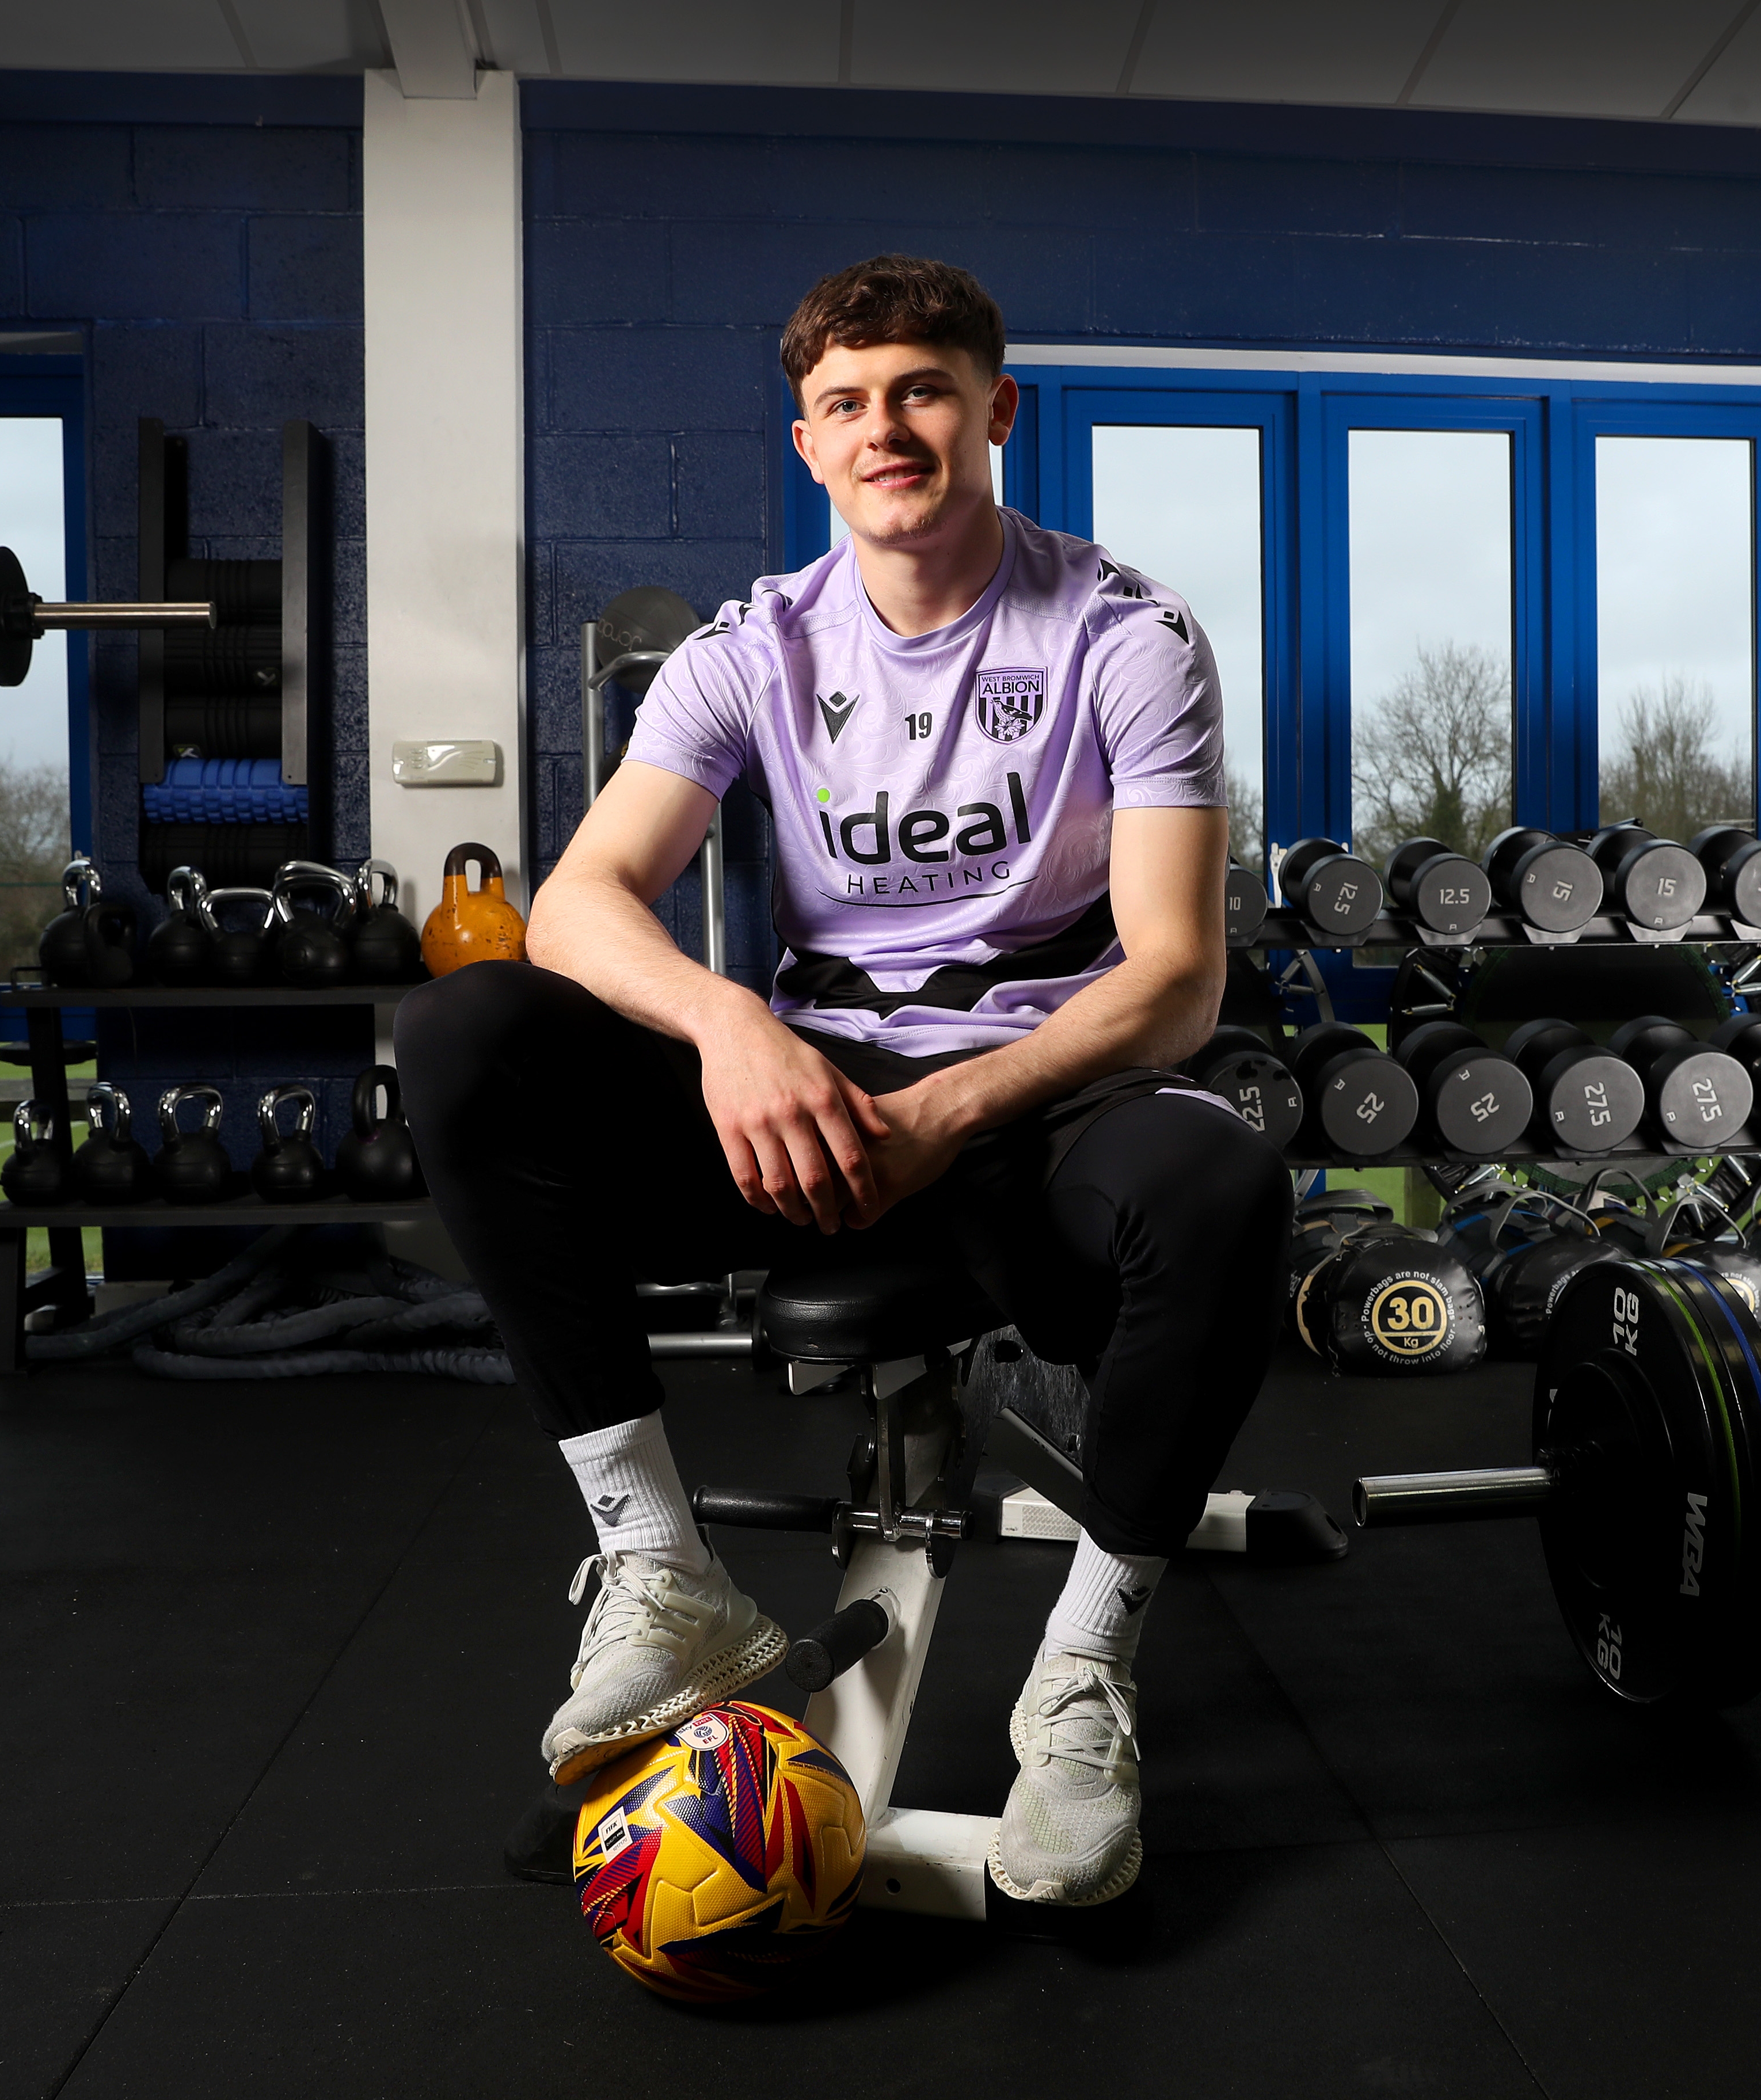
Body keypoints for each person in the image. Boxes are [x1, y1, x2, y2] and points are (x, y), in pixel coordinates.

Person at [397, 254, 1290, 1907]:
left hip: (1033, 1110)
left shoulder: (1124, 631)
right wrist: (739, 1032)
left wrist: (943, 1116)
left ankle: (1083, 1677)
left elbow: (1174, 980)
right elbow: (582, 902)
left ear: (995, 411)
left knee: (1225, 1177)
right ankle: (663, 1574)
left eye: (924, 391)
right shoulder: (754, 645)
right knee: (462, 1034)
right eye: (847, 404)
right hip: (812, 1105)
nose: (889, 429)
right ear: (807, 444)